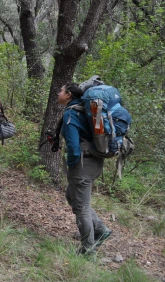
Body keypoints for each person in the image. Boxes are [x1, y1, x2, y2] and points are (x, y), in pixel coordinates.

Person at [58, 82, 112, 255]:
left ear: (68, 95)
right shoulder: (83, 111)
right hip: (95, 161)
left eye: (61, 90)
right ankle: (100, 230)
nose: (58, 92)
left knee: (81, 208)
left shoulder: (71, 114)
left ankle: (88, 249)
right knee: (71, 196)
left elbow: (73, 146)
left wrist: (73, 166)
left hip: (83, 163)